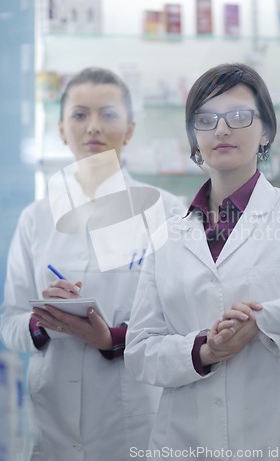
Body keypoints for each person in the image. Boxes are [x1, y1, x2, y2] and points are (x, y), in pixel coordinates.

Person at [125, 63, 280, 460]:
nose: (221, 130)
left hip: (273, 436)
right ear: (193, 138)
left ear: (267, 131)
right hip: (183, 440)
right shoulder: (167, 233)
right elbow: (139, 350)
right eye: (206, 119)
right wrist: (202, 351)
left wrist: (268, 318)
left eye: (240, 116)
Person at [0, 67, 184, 461]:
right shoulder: (35, 218)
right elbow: (9, 322)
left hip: (133, 418)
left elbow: (185, 322)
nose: (93, 127)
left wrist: (112, 339)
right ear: (62, 129)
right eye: (80, 115)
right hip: (51, 424)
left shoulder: (167, 211)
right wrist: (40, 322)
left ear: (130, 129)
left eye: (109, 114)